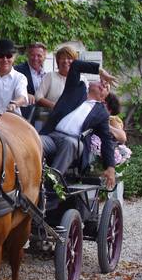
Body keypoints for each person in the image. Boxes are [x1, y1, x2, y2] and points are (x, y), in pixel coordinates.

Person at [39, 59, 118, 188]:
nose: (103, 85)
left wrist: (110, 167)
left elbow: (106, 140)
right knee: (34, 141)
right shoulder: (75, 89)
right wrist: (100, 71)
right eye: (102, 82)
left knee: (69, 143)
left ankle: (50, 184)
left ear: (103, 98)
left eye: (106, 88)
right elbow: (75, 65)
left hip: (74, 143)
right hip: (52, 136)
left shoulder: (101, 113)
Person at [36, 45, 77, 110]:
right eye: (62, 58)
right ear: (58, 61)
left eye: (69, 58)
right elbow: (38, 97)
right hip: (53, 115)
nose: (65, 61)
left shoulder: (81, 79)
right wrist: (56, 106)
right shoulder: (50, 76)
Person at [14, 42, 46, 118]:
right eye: (32, 55)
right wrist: (24, 94)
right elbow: (8, 88)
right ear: (27, 55)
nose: (35, 58)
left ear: (44, 56)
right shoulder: (17, 71)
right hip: (22, 116)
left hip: (41, 116)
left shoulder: (46, 75)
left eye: (39, 55)